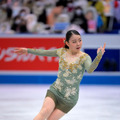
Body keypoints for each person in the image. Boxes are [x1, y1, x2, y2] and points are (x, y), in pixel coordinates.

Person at [14, 30, 106, 120]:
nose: (78, 44)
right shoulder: (61, 52)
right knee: (44, 112)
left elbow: (90, 70)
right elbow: (43, 52)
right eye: (74, 41)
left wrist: (98, 57)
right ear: (67, 43)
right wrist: (28, 50)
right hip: (55, 91)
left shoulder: (85, 57)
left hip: (69, 99)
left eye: (80, 40)